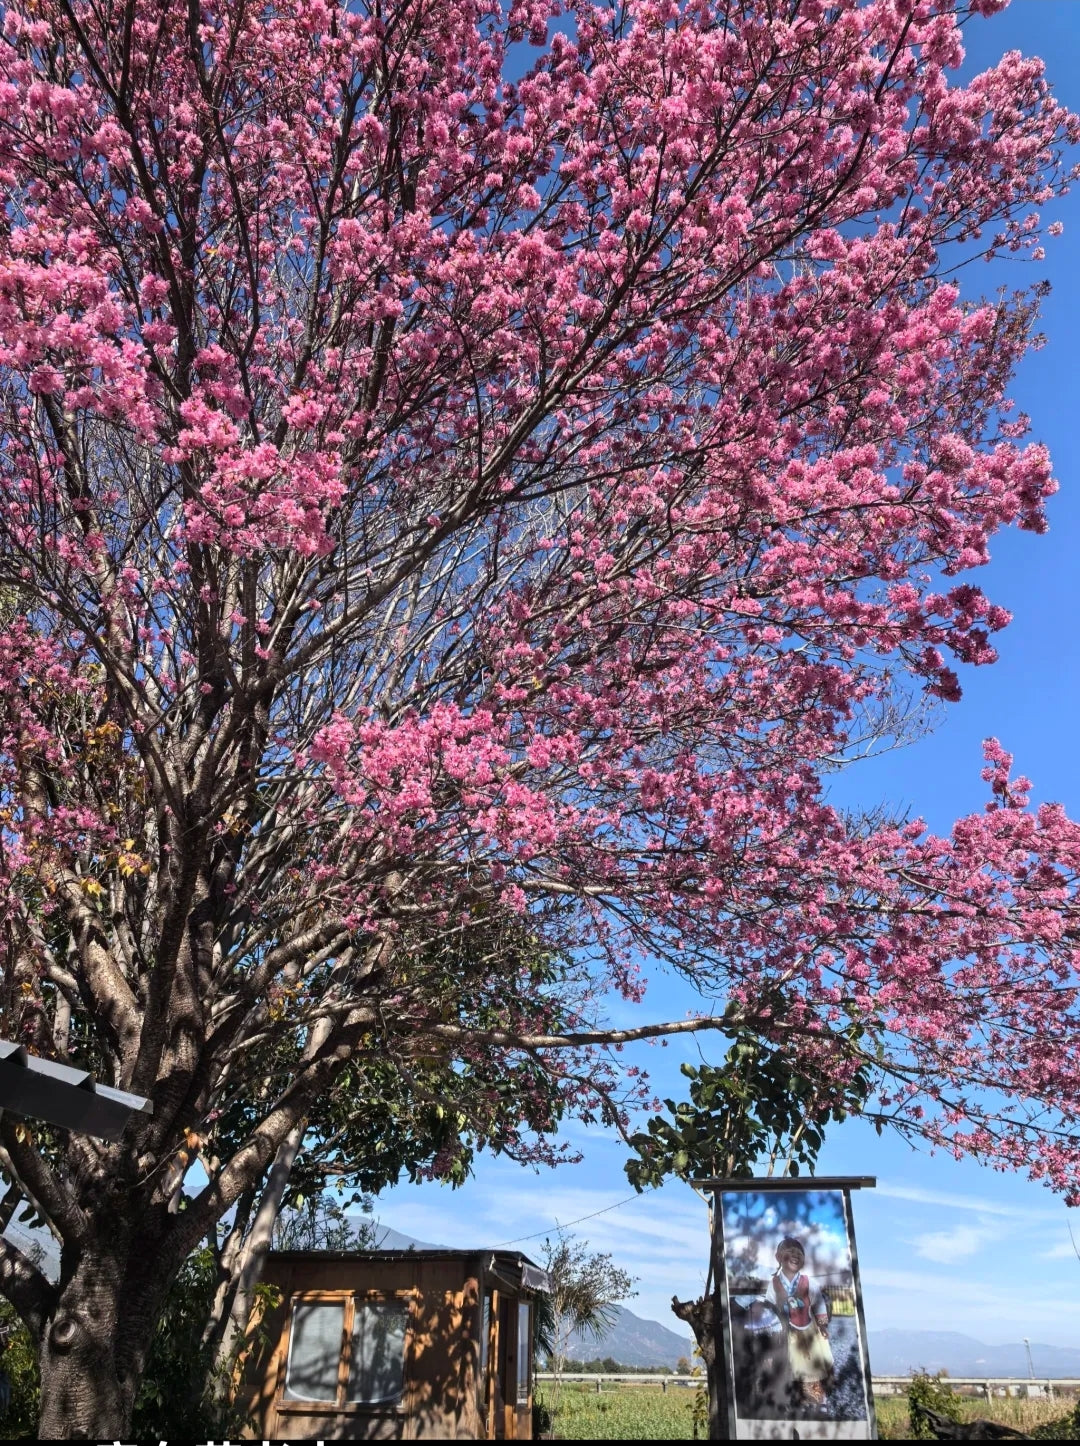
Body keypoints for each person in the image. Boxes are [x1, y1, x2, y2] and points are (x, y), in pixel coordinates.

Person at [770, 1235, 834, 1410]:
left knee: (809, 1365)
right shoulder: (774, 1284)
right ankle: (793, 1401)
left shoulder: (808, 1282)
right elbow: (769, 1306)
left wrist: (822, 1324)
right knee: (787, 1365)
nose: (795, 1256)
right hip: (785, 1332)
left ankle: (817, 1401)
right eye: (789, 1252)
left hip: (806, 1332)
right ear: (779, 1257)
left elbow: (819, 1302)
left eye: (799, 1253)